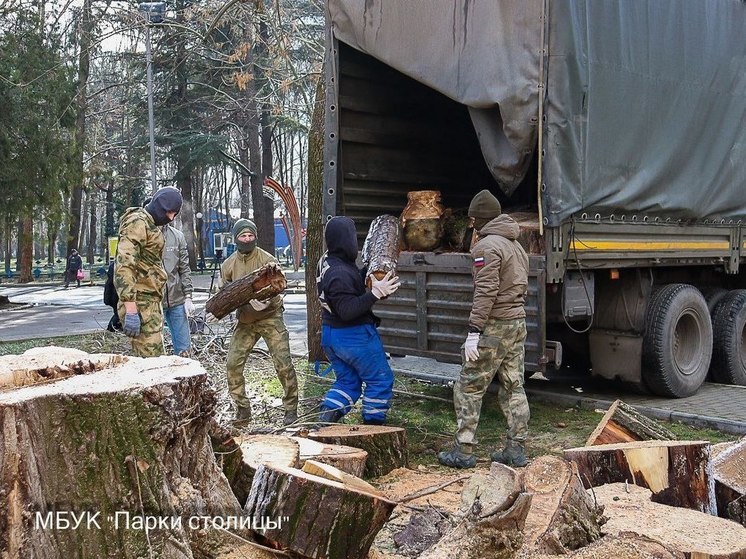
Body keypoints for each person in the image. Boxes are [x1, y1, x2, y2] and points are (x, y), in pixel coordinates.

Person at [437, 189, 531, 469]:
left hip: (494, 326)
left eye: (472, 219)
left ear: (478, 219)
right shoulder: (516, 244)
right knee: (514, 386)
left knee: (468, 386)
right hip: (517, 322)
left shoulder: (487, 248)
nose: (470, 224)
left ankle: (464, 451)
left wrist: (475, 331)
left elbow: (486, 292)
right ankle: (516, 450)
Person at [315, 216, 401, 425]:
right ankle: (374, 426)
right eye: (352, 237)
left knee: (348, 382)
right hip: (353, 336)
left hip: (332, 335)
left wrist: (368, 273)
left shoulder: (329, 261)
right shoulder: (339, 273)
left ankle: (323, 423)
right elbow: (346, 310)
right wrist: (374, 294)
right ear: (346, 240)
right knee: (380, 380)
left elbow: (347, 285)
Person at [216, 219, 298, 425]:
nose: (247, 239)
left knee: (283, 364)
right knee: (233, 364)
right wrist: (216, 309)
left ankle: (291, 409)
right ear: (236, 238)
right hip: (245, 321)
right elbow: (223, 294)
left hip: (270, 318)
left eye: (250, 236)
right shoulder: (228, 265)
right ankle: (243, 410)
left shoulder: (267, 259)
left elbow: (280, 283)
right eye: (243, 236)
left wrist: (269, 300)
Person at [114, 186, 183, 357]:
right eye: (170, 213)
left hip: (149, 302)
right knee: (151, 365)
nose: (171, 218)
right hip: (139, 303)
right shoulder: (138, 222)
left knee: (156, 361)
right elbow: (124, 265)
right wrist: (130, 310)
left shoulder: (149, 224)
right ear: (161, 207)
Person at [162, 222, 195, 357]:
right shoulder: (142, 235)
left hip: (177, 299)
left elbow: (184, 268)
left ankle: (186, 376)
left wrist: (188, 296)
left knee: (184, 349)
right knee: (154, 351)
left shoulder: (177, 236)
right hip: (153, 302)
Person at [103, 260, 122, 332]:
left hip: (113, 295)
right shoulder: (120, 265)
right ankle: (111, 329)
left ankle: (111, 329)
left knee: (117, 314)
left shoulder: (114, 265)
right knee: (118, 315)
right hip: (117, 295)